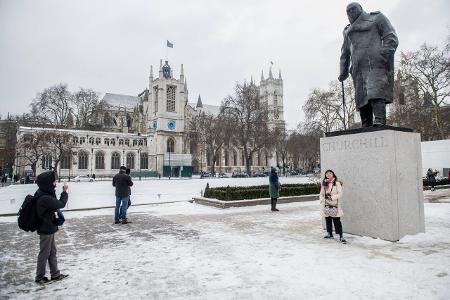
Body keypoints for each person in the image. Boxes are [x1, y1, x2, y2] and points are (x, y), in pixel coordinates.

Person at [339, 2, 398, 127]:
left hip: (376, 65)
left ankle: (380, 120)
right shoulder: (347, 31)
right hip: (357, 69)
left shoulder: (376, 18)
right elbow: (344, 52)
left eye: (353, 9)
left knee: (375, 92)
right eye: (348, 11)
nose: (351, 12)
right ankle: (366, 124)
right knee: (361, 98)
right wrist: (343, 72)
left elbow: (390, 37)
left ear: (360, 9)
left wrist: (383, 55)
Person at [34, 171, 69, 284]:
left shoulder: (43, 192)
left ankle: (55, 274)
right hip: (46, 228)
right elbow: (60, 204)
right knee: (44, 252)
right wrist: (64, 192)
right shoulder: (44, 197)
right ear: (47, 183)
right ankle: (39, 276)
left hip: (49, 226)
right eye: (53, 181)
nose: (55, 183)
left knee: (52, 251)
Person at [319, 170, 346, 244]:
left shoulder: (337, 183)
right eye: (327, 174)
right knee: (328, 219)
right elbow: (321, 194)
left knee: (337, 221)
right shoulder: (324, 183)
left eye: (330, 173)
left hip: (334, 204)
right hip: (326, 204)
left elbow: (340, 194)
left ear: (333, 174)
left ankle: (341, 236)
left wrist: (332, 197)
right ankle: (330, 233)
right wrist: (322, 199)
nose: (328, 174)